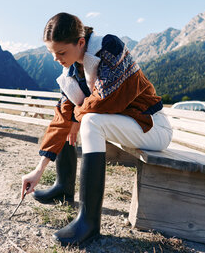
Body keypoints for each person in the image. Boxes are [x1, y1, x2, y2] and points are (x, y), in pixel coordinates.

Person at [21, 12, 173, 246]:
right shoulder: (71, 72)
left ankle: (89, 224)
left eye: (61, 52)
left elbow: (107, 99)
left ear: (81, 42)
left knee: (88, 120)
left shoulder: (110, 48)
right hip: (127, 125)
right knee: (73, 117)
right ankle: (63, 187)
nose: (56, 59)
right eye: (52, 54)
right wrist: (39, 169)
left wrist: (76, 118)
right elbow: (61, 118)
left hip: (151, 126)